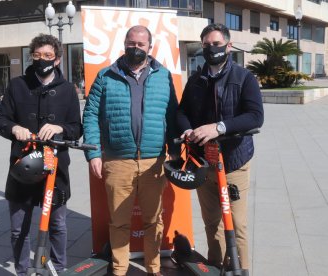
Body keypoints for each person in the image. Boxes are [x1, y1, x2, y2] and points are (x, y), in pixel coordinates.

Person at [83, 25, 180, 276]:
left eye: (140, 44)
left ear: (150, 46)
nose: (135, 48)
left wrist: (176, 152)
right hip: (117, 161)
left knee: (153, 221)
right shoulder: (106, 76)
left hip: (154, 162)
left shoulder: (163, 75)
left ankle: (154, 269)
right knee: (118, 222)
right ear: (124, 43)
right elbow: (91, 115)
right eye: (131, 43)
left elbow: (173, 115)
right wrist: (93, 153)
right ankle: (119, 270)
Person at [176, 23, 264, 272]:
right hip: (204, 162)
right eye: (206, 45)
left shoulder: (244, 77)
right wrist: (187, 129)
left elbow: (255, 116)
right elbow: (182, 111)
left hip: (234, 160)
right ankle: (215, 266)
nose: (211, 49)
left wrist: (219, 127)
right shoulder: (196, 80)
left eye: (215, 44)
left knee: (236, 224)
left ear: (228, 45)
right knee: (211, 222)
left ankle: (241, 269)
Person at [0, 34, 82, 275]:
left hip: (56, 169)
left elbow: (77, 127)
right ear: (31, 56)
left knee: (57, 224)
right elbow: (0, 120)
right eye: (37, 55)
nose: (42, 60)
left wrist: (60, 128)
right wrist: (14, 128)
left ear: (58, 59)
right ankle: (22, 271)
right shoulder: (17, 85)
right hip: (22, 166)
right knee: (17, 227)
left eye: (48, 56)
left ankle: (59, 268)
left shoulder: (67, 90)